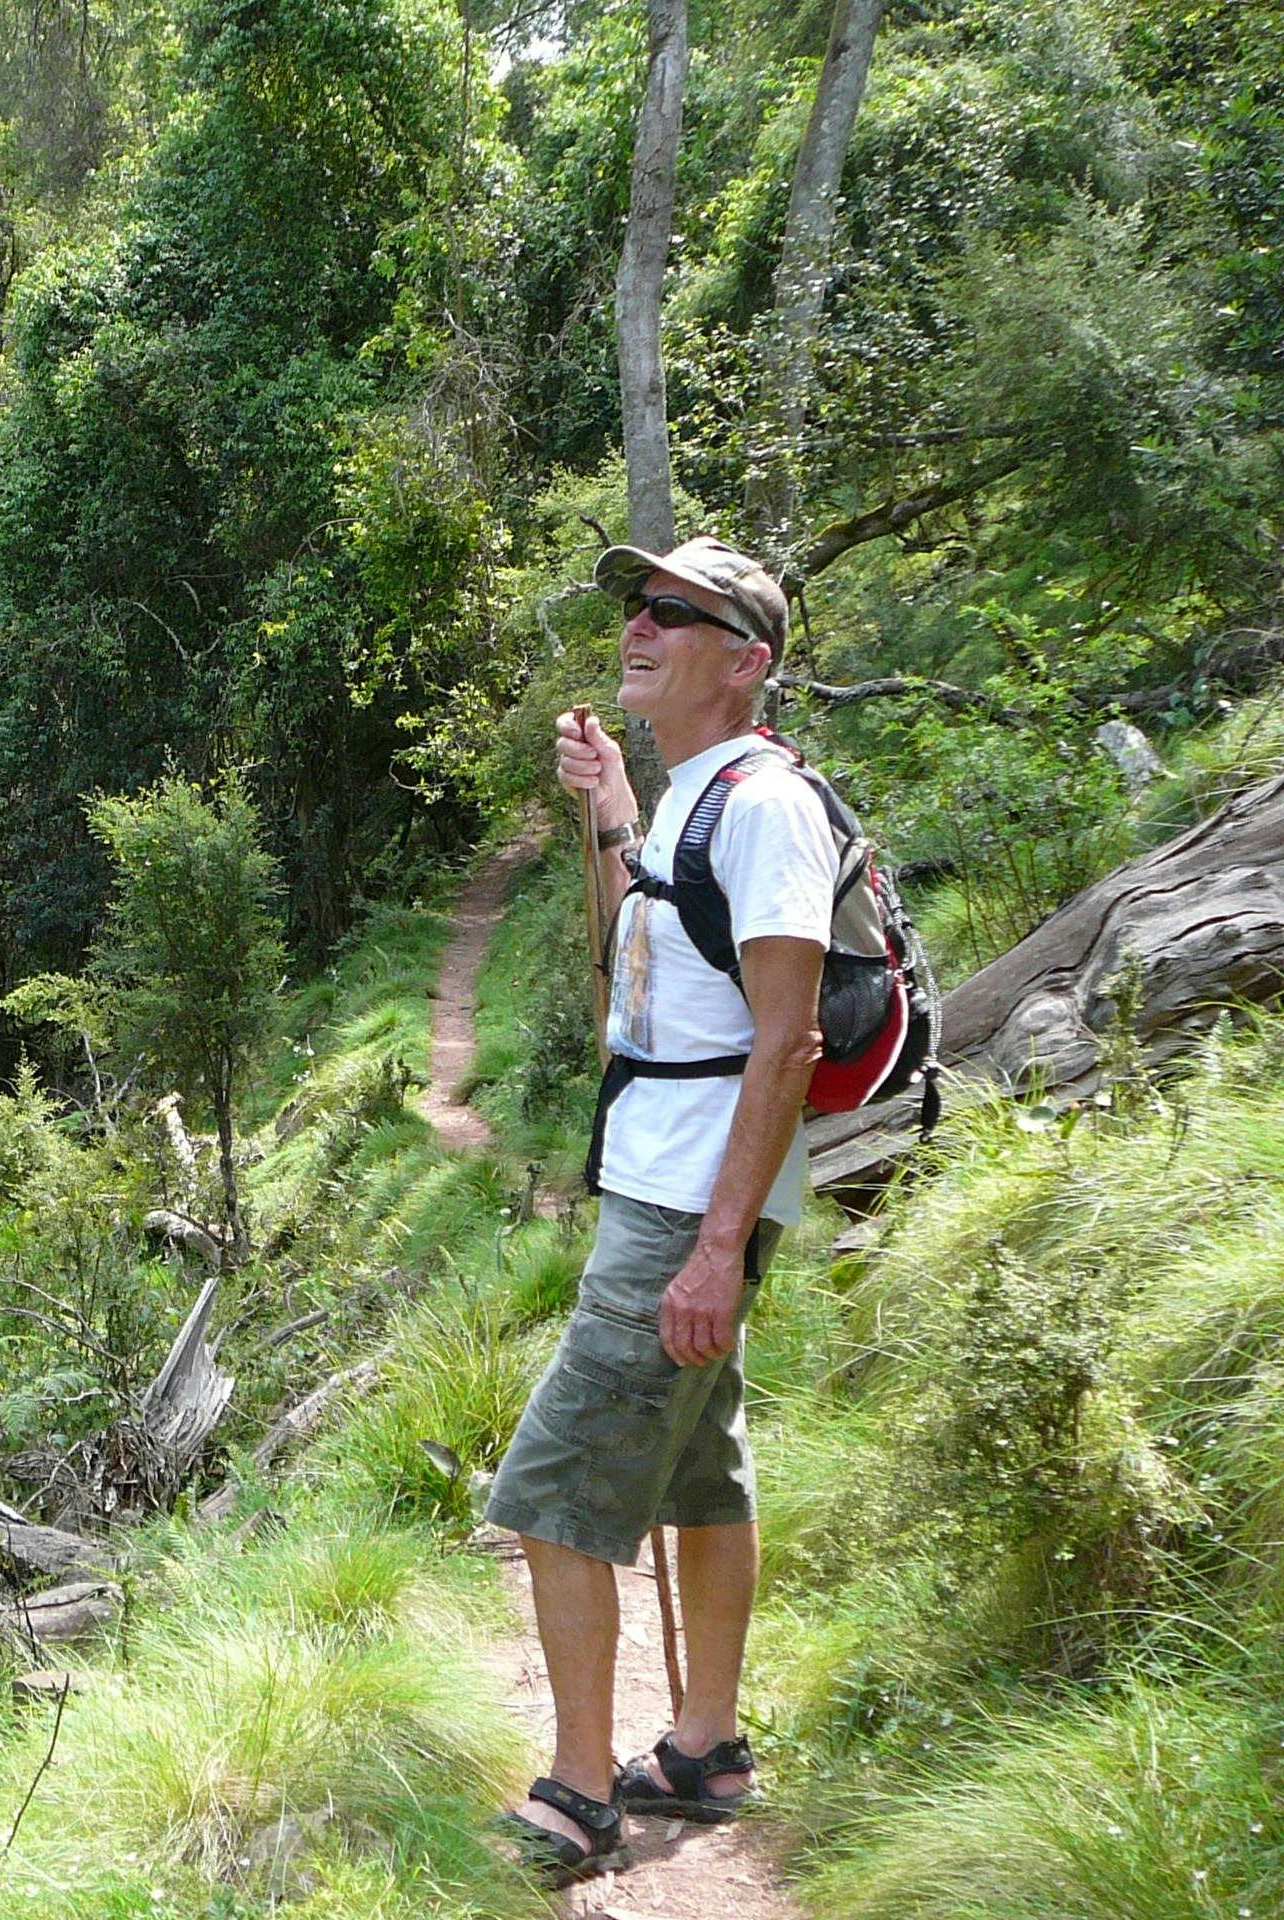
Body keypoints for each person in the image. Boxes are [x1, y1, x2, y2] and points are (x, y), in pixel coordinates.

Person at [485, 536, 833, 1886]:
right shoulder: (694, 796)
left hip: (693, 1201)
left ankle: (578, 1794)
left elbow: (787, 1040)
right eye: (638, 606)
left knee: (557, 1494)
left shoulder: (764, 805)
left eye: (675, 614)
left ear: (746, 662)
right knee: (698, 1471)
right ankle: (703, 1749)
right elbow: (639, 959)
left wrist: (714, 1246)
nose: (639, 626)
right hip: (668, 1180)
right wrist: (614, 807)